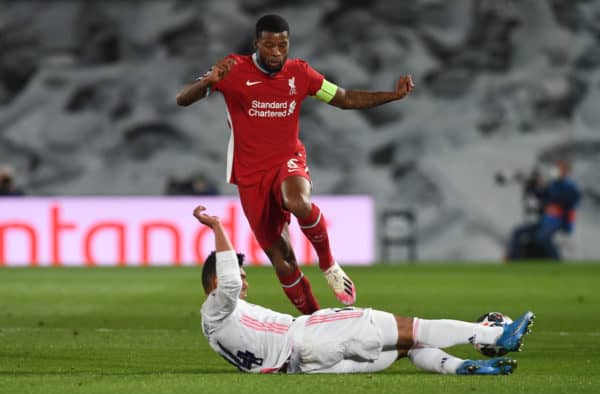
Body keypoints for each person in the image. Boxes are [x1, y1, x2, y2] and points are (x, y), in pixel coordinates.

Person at [176, 14, 415, 314]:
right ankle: (316, 321)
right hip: (251, 176)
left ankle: (329, 265)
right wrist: (209, 82)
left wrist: (392, 95)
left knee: (297, 200)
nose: (276, 52)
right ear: (256, 44)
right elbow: (182, 99)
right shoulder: (233, 69)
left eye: (282, 45)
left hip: (288, 161)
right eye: (269, 45)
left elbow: (344, 97)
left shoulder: (300, 73)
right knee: (283, 260)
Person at [194, 204, 535, 375]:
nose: (245, 283)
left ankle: (462, 368)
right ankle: (493, 336)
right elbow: (230, 281)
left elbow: (232, 284)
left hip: (303, 368)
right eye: (239, 273)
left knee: (407, 346)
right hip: (305, 337)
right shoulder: (216, 305)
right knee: (413, 327)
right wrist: (217, 225)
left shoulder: (216, 325)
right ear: (213, 282)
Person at [506, 159, 581, 260]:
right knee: (518, 232)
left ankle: (556, 262)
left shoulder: (571, 187)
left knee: (542, 238)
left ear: (566, 171)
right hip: (545, 222)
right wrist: (531, 186)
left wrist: (545, 186)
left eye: (560, 169)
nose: (556, 171)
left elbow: (561, 199)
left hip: (559, 222)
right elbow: (541, 196)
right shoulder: (552, 185)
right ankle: (513, 263)